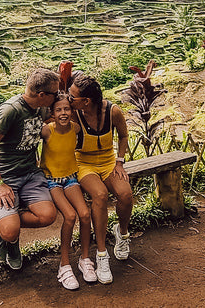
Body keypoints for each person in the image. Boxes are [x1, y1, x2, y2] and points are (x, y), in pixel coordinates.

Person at [0, 68, 59, 270]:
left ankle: (3, 223)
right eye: (55, 94)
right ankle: (9, 237)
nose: (57, 97)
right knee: (10, 231)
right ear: (42, 95)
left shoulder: (41, 108)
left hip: (30, 173)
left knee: (48, 216)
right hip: (4, 176)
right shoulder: (10, 110)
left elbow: (51, 120)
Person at [67, 74, 133, 284]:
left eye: (73, 97)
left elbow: (123, 135)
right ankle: (102, 253)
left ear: (86, 101)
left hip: (108, 162)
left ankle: (122, 234)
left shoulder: (112, 111)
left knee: (125, 194)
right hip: (83, 164)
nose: (69, 99)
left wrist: (120, 162)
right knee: (100, 194)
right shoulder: (75, 115)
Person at [42, 96, 94, 290]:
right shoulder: (47, 131)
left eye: (67, 109)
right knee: (70, 216)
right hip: (52, 181)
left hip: (71, 178)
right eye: (58, 110)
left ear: (72, 112)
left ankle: (85, 259)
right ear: (52, 114)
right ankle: (64, 265)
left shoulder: (75, 128)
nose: (63, 113)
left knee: (85, 214)